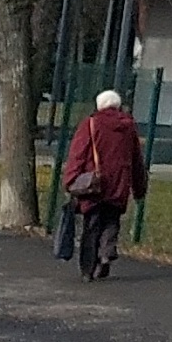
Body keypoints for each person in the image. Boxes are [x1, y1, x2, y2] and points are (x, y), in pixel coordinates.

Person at [61, 90, 147, 281]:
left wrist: (71, 180)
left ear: (99, 106)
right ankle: (106, 254)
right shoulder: (128, 127)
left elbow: (78, 154)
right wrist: (139, 187)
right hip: (119, 183)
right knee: (111, 221)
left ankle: (87, 269)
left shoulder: (91, 124)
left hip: (94, 184)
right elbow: (136, 159)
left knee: (91, 225)